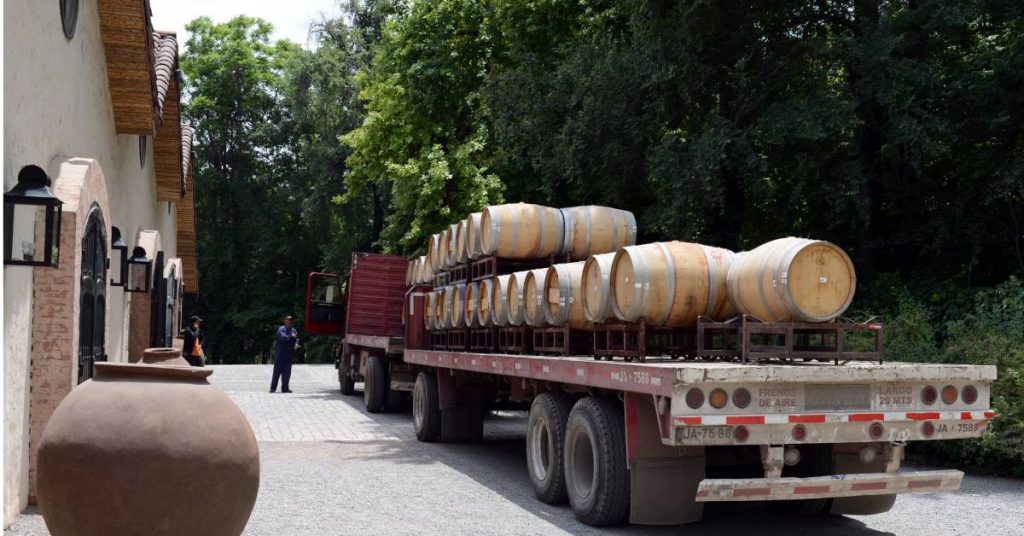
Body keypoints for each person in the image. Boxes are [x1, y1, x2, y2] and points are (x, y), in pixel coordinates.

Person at [270, 315, 300, 393]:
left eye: (291, 320)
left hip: (289, 355)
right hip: (280, 354)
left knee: (287, 373)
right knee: (277, 372)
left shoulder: (294, 330)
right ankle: (273, 388)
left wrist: (296, 343)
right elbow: (283, 338)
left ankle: (285, 388)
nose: (290, 322)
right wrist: (291, 337)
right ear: (285, 321)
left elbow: (296, 339)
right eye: (288, 320)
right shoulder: (281, 329)